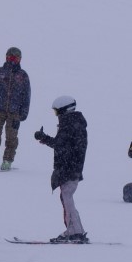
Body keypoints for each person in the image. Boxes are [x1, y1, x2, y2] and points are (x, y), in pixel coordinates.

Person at [34, 95, 88, 242]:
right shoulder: (75, 123)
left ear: (65, 110)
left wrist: (44, 138)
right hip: (72, 167)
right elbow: (63, 145)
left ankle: (74, 231)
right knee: (67, 197)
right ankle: (77, 229)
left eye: (57, 112)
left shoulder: (70, 125)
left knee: (67, 198)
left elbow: (60, 145)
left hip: (68, 168)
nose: (56, 115)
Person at [0, 46, 31, 172]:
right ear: (6, 57)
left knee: (12, 137)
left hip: (15, 112)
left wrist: (24, 112)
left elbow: (26, 95)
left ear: (20, 59)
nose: (13, 60)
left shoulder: (23, 75)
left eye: (15, 58)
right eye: (10, 57)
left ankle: (7, 160)